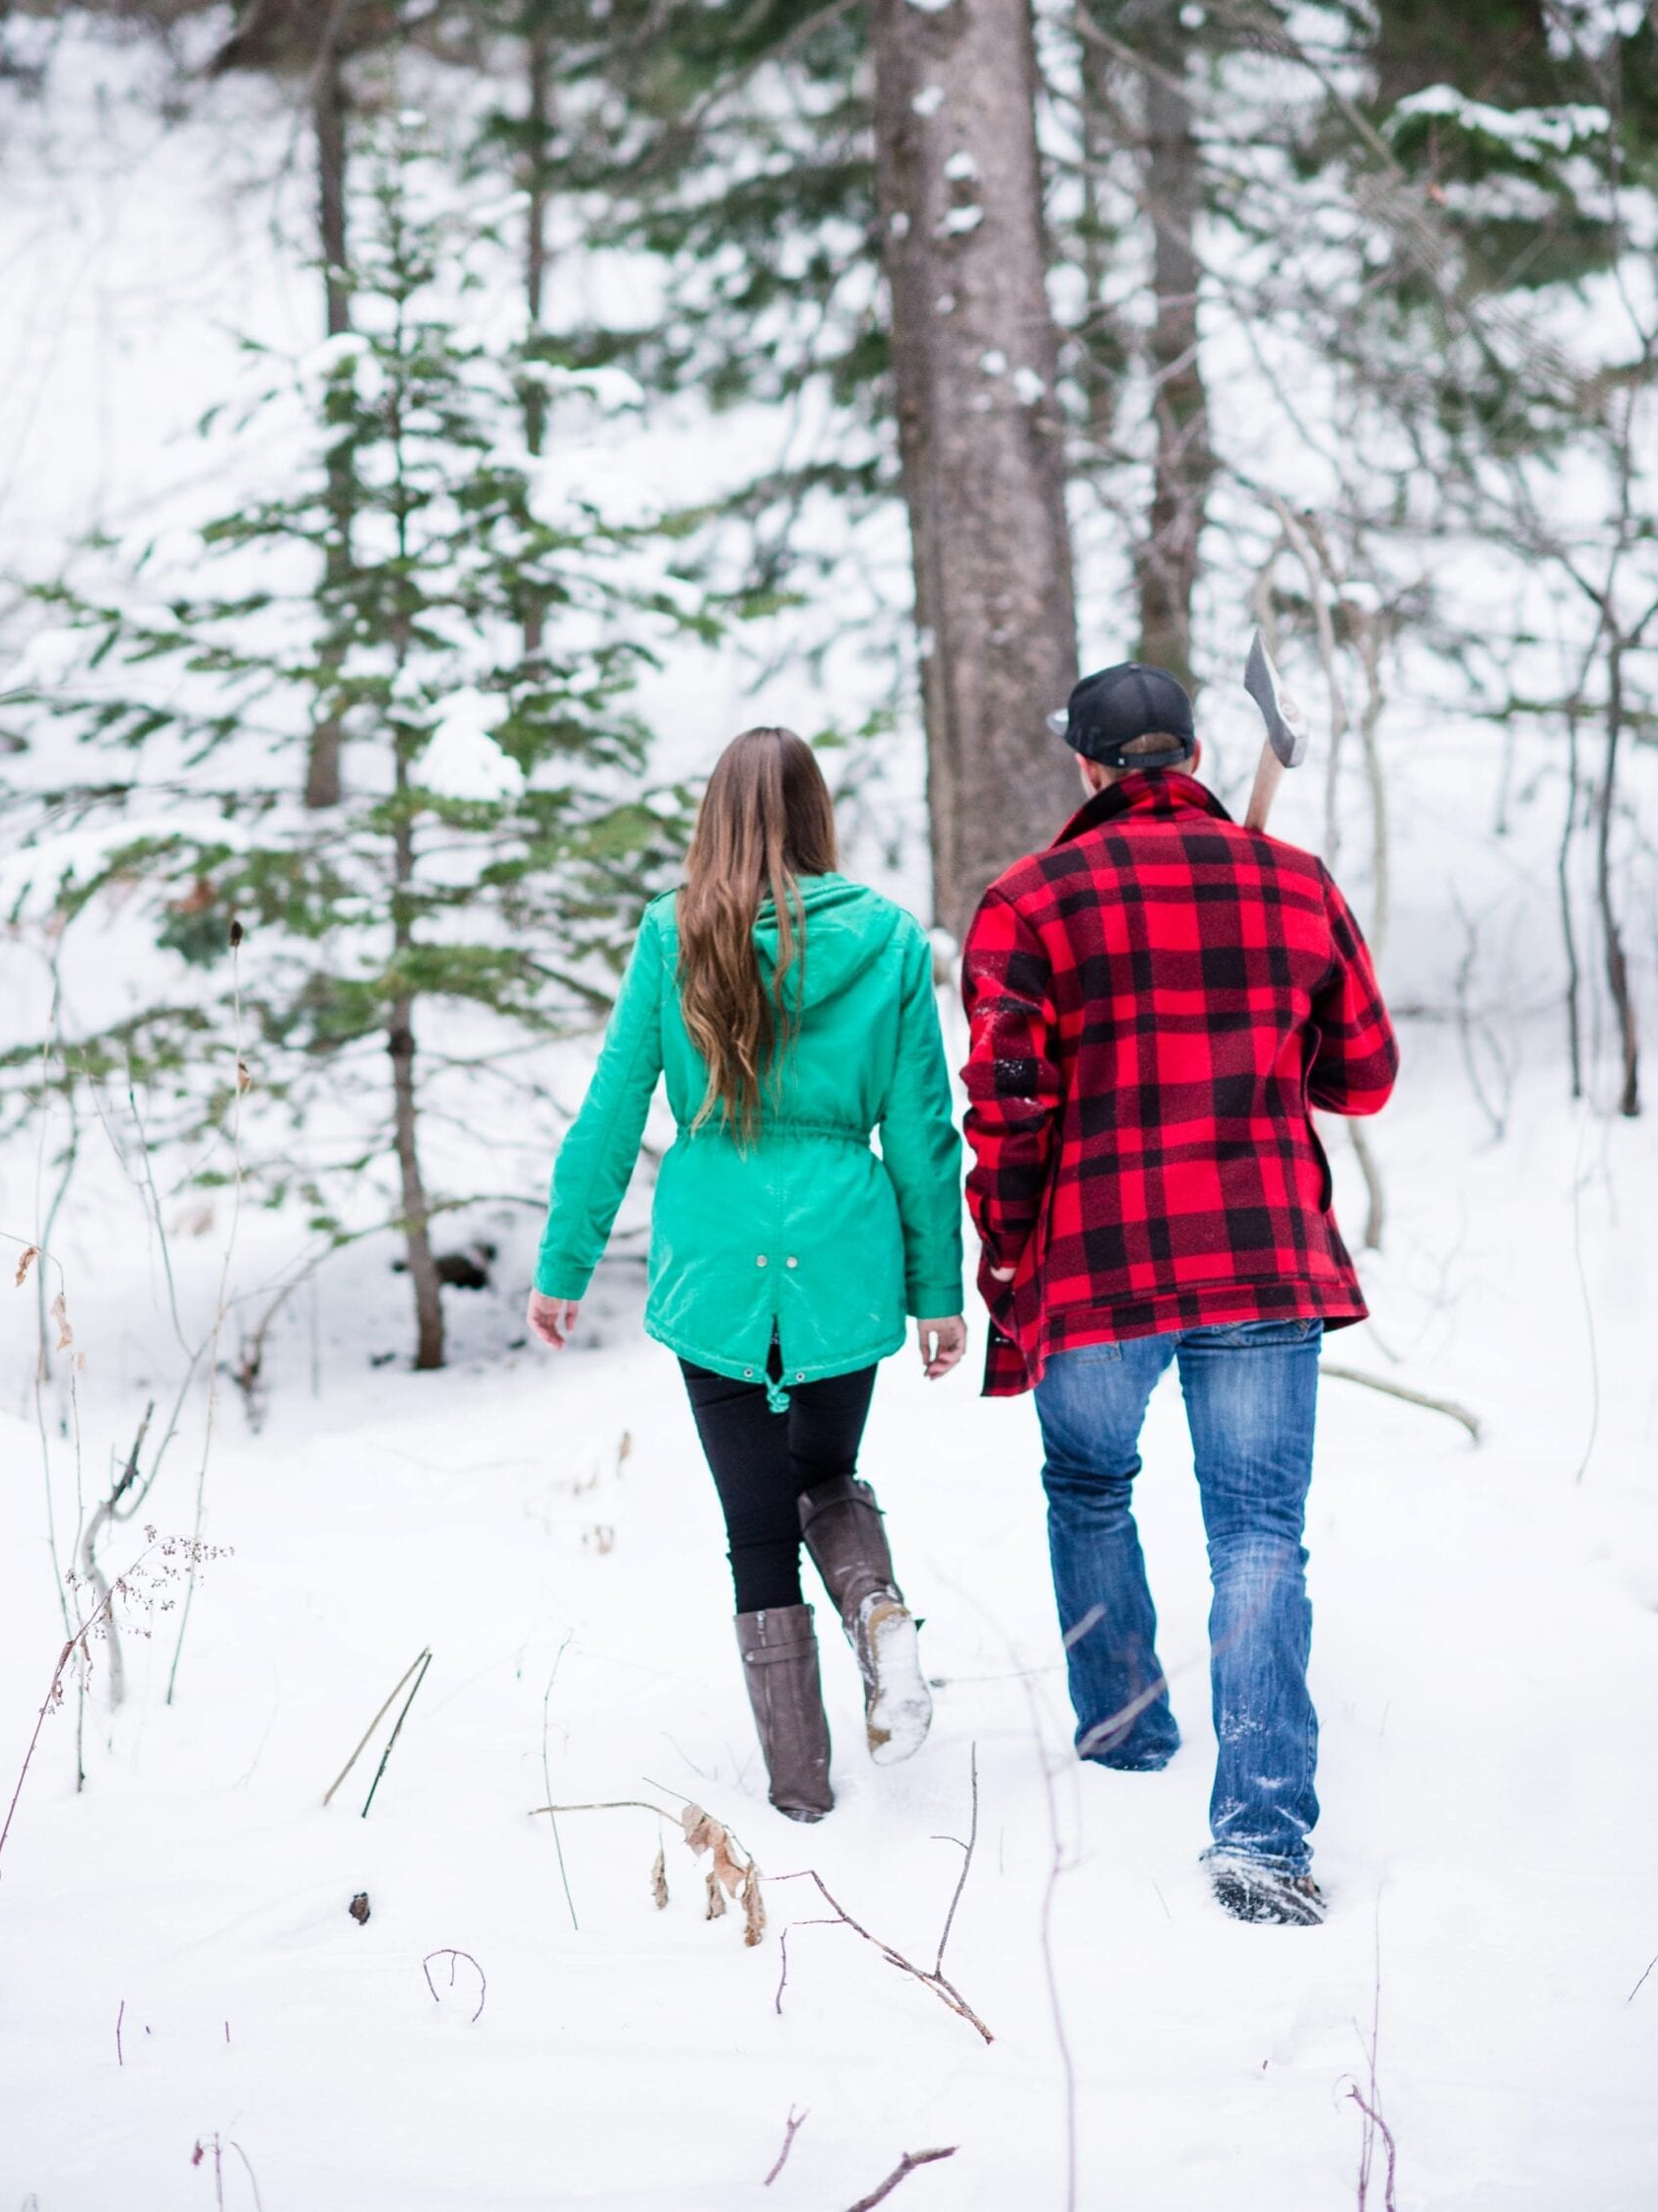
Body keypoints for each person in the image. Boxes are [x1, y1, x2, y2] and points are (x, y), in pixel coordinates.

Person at [960, 662, 1398, 1924]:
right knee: (1257, 1533)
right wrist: (1272, 1025)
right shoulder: (1294, 884)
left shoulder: (1028, 901)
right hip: (1260, 1252)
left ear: (1085, 767)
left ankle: (1125, 1730)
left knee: (1090, 1482)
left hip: (1095, 1266)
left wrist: (1008, 1253)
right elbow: (1360, 1076)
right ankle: (1261, 1836)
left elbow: (1005, 1105)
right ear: (1197, 751)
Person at [529, 727, 966, 1823]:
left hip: (716, 1262)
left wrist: (563, 1262)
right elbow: (921, 1129)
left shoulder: (673, 933)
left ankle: (800, 1790)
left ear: (713, 815)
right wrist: (936, 1293)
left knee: (756, 1525)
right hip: (844, 1254)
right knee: (825, 1471)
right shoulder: (891, 941)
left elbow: (612, 1107)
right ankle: (874, 1609)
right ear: (818, 812)